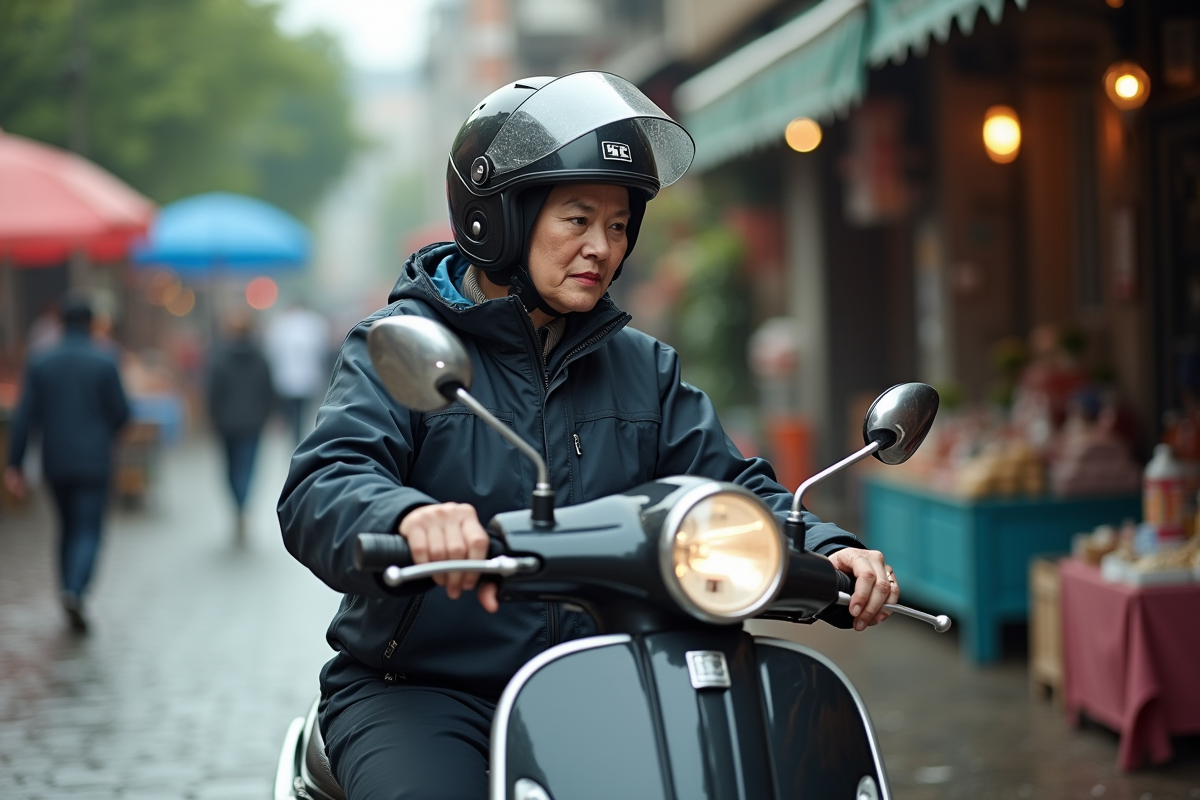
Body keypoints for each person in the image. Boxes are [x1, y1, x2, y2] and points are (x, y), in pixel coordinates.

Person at [278, 72, 900, 800]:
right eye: (577, 219)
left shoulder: (643, 368)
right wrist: (409, 518)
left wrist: (830, 549)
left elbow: (730, 489)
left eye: (617, 224)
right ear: (498, 217)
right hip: (424, 689)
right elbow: (325, 482)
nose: (602, 247)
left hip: (610, 677)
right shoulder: (403, 347)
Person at [5, 296, 130, 633]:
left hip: (55, 460)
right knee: (88, 528)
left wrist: (14, 464)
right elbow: (122, 413)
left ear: (61, 323)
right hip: (94, 460)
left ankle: (67, 588)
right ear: (91, 324)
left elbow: (24, 417)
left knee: (66, 527)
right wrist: (106, 434)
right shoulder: (105, 361)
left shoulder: (41, 362)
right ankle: (75, 589)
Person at [206, 311, 276, 543]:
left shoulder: (220, 356)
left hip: (227, 421)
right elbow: (268, 388)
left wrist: (212, 415)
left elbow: (213, 389)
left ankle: (238, 505)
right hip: (253, 421)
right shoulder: (261, 357)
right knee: (248, 467)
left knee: (230, 468)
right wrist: (269, 413)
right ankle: (243, 504)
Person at [264, 302, 332, 444]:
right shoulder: (312, 323)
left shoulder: (281, 324)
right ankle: (298, 437)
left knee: (294, 414)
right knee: (301, 413)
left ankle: (296, 438)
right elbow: (321, 350)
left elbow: (272, 352)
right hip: (305, 378)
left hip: (288, 379)